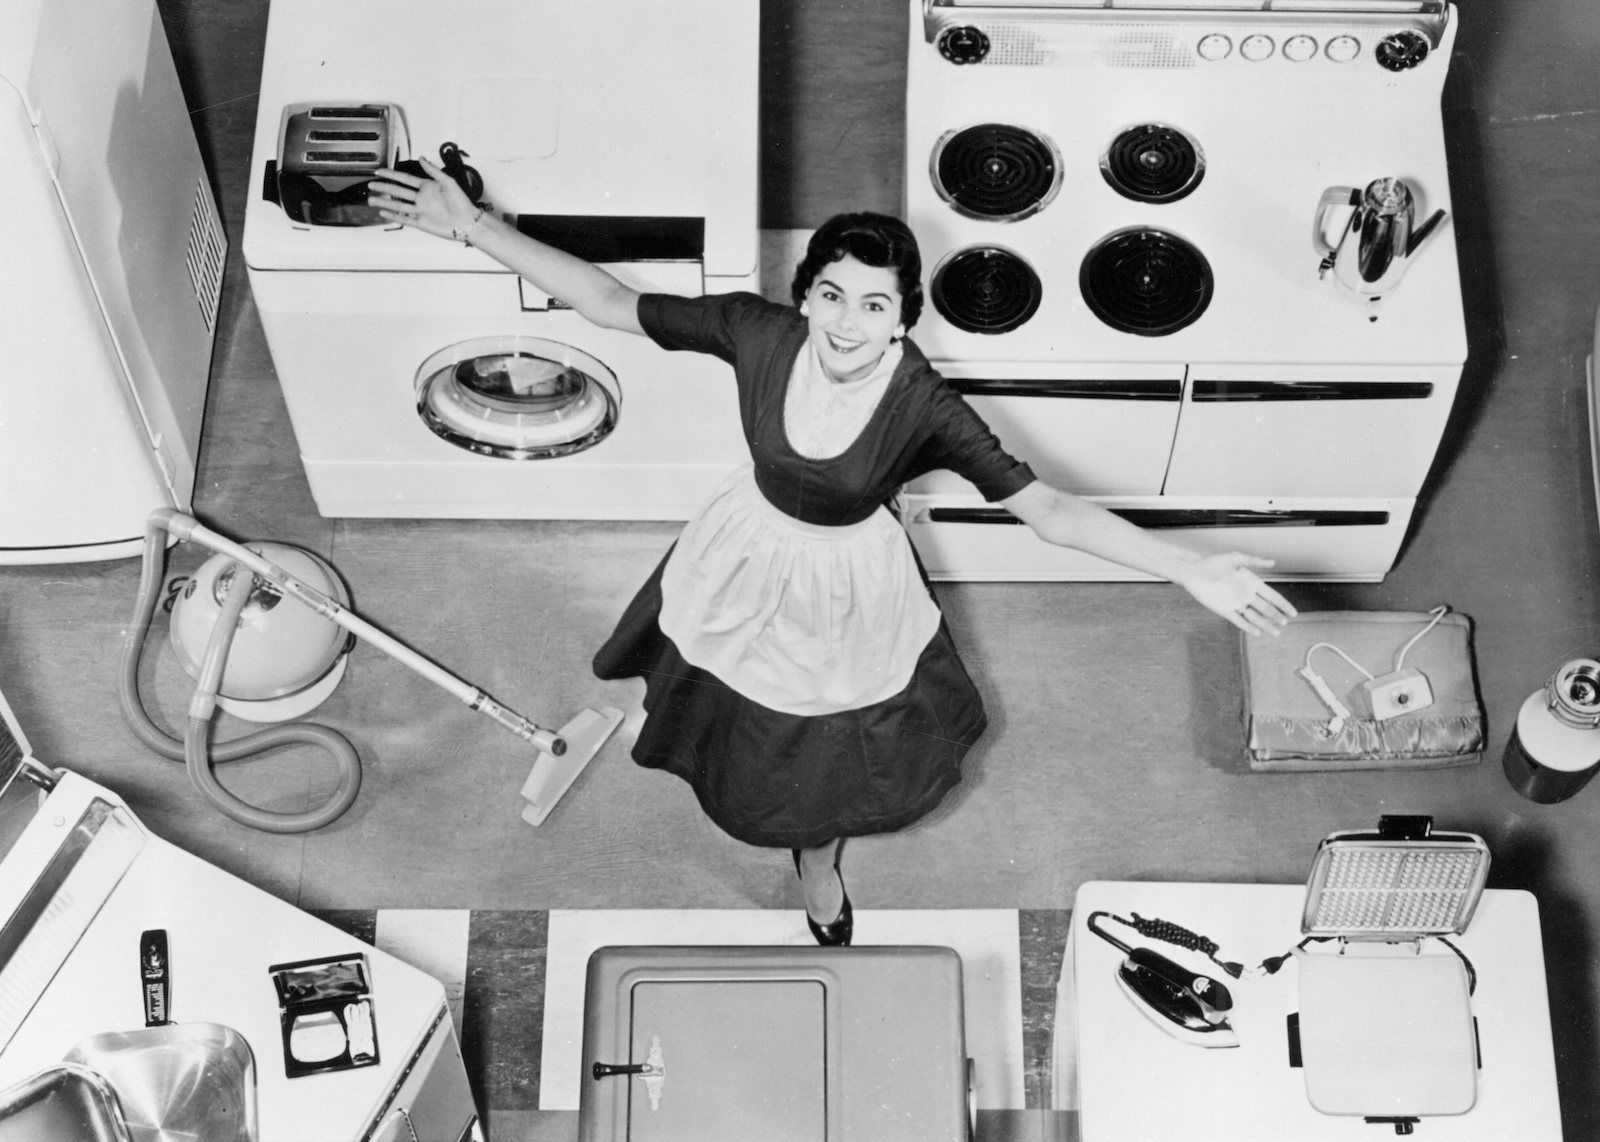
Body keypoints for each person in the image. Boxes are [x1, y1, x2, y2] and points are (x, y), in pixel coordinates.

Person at [370, 161, 1297, 946]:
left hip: (848, 584)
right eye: (831, 295)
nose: (847, 325)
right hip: (744, 553)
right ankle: (786, 823)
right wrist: (474, 227)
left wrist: (1187, 567)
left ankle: (817, 860)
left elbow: (1047, 508)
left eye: (874, 305)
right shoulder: (758, 334)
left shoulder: (924, 403)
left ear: (904, 319)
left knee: (825, 740)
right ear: (805, 295)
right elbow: (611, 302)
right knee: (730, 706)